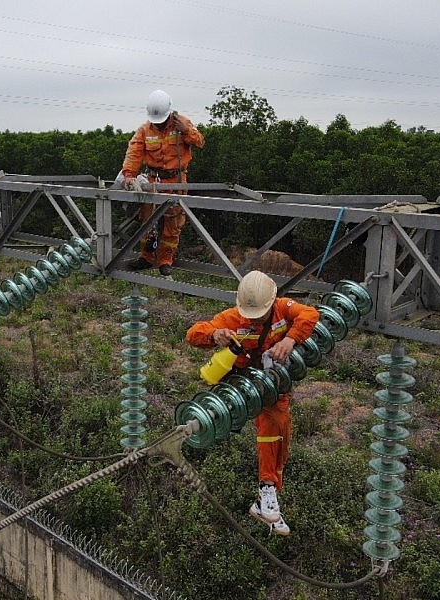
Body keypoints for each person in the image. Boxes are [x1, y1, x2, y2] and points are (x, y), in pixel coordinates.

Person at [185, 270, 319, 535]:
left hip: (274, 384)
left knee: (282, 438)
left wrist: (290, 339)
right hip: (246, 384)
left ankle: (269, 497)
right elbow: (193, 333)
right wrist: (215, 335)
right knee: (271, 430)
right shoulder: (233, 318)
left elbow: (310, 314)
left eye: (260, 314)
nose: (256, 319)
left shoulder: (283, 309)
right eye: (252, 315)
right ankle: (267, 488)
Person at [121, 90, 205, 277]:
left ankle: (165, 260)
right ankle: (147, 257)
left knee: (173, 224)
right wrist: (129, 175)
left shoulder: (182, 124)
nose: (158, 124)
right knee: (148, 221)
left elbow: (200, 142)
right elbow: (134, 153)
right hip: (153, 181)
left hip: (177, 181)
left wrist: (186, 130)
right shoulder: (145, 130)